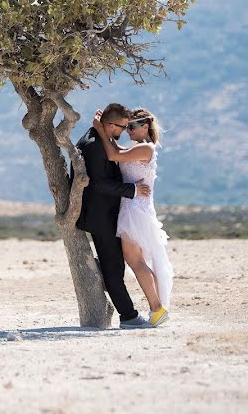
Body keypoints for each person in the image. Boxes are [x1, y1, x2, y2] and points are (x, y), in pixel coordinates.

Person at [92, 107, 174, 327]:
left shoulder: (146, 148)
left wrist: (100, 128)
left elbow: (113, 154)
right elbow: (116, 148)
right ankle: (157, 307)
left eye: (131, 126)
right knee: (139, 261)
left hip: (135, 209)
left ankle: (157, 309)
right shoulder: (137, 148)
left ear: (145, 126)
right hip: (132, 208)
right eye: (125, 126)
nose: (127, 131)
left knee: (136, 261)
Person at [75, 103, 151, 329]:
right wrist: (132, 190)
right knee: (112, 268)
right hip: (101, 216)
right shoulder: (95, 145)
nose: (124, 131)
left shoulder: (97, 139)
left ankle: (120, 302)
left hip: (106, 214)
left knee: (115, 267)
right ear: (110, 125)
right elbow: (97, 184)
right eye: (122, 127)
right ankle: (128, 316)